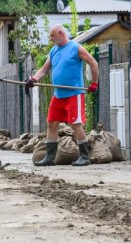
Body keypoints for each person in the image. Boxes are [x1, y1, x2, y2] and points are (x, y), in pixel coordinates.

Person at [26, 25, 99, 167]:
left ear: (60, 33)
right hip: (58, 95)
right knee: (51, 123)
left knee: (75, 124)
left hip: (74, 94)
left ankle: (84, 157)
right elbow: (44, 69)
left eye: (53, 36)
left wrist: (94, 83)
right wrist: (33, 79)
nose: (51, 39)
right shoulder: (53, 51)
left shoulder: (76, 48)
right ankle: (49, 158)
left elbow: (93, 63)